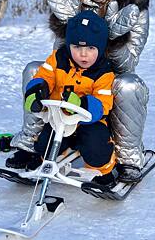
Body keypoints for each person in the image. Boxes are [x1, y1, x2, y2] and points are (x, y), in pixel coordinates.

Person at [8, 0, 149, 183]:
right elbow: (59, 54)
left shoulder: (134, 9)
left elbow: (129, 63)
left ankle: (127, 157)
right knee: (34, 70)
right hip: (73, 73)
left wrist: (110, 37)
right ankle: (30, 143)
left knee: (130, 86)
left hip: (107, 77)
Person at [15, 10, 117, 187]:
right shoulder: (57, 59)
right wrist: (36, 91)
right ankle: (49, 158)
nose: (83, 54)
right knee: (45, 143)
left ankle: (103, 169)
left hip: (89, 122)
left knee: (96, 147)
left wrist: (82, 104)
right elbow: (44, 76)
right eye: (77, 47)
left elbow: (103, 104)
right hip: (59, 119)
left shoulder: (104, 72)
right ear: (69, 45)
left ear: (100, 48)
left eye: (90, 48)